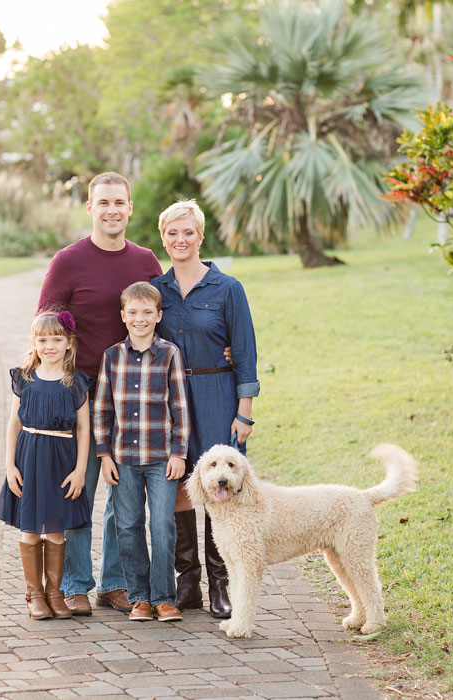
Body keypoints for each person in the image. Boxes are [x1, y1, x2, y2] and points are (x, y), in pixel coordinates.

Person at [37, 172, 162, 615]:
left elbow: (163, 318)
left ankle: (114, 582)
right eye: (103, 202)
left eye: (119, 202)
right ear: (90, 208)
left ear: (130, 208)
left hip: (133, 396)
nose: (112, 209)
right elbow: (45, 328)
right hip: (81, 392)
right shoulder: (68, 261)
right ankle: (75, 583)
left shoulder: (146, 260)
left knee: (124, 494)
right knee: (80, 489)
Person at [150, 200, 259, 619]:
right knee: (179, 484)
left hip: (217, 392)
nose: (181, 240)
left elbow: (245, 351)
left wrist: (243, 412)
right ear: (164, 238)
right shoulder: (155, 290)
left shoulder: (228, 288)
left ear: (200, 236)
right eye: (172, 233)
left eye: (188, 232)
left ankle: (220, 584)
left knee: (221, 489)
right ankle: (188, 582)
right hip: (171, 399)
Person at [94, 282, 190, 622]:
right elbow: (102, 409)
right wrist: (104, 455)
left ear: (158, 315)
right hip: (123, 459)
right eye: (133, 313)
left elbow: (180, 407)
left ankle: (164, 597)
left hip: (162, 457)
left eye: (147, 312)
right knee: (127, 526)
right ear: (123, 316)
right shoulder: (112, 357)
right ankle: (139, 599)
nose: (140, 319)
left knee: (162, 524)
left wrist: (179, 453)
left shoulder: (170, 354)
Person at [0, 310, 92, 620]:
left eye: (57, 339)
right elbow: (13, 423)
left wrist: (79, 470)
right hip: (29, 456)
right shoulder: (23, 378)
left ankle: (55, 593)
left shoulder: (75, 382)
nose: (49, 345)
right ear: (34, 343)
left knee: (56, 530)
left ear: (69, 344)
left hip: (62, 460)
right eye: (43, 339)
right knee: (31, 530)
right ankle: (34, 594)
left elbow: (84, 430)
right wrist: (10, 465)